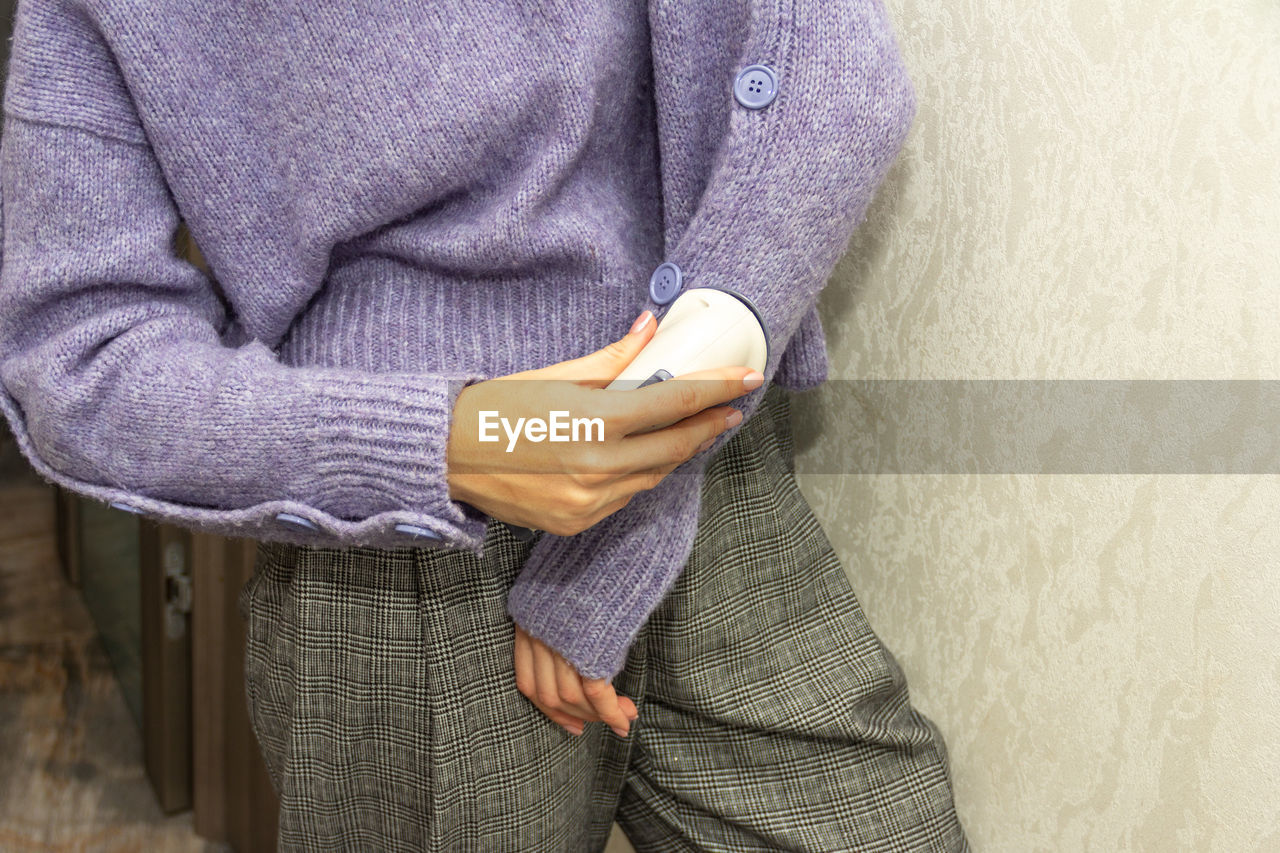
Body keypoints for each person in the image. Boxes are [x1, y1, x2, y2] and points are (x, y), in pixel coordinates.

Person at [0, 0, 969, 849]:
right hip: (399, 572)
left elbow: (831, 72)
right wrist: (446, 445)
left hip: (710, 480)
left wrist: (660, 404)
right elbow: (75, 362)